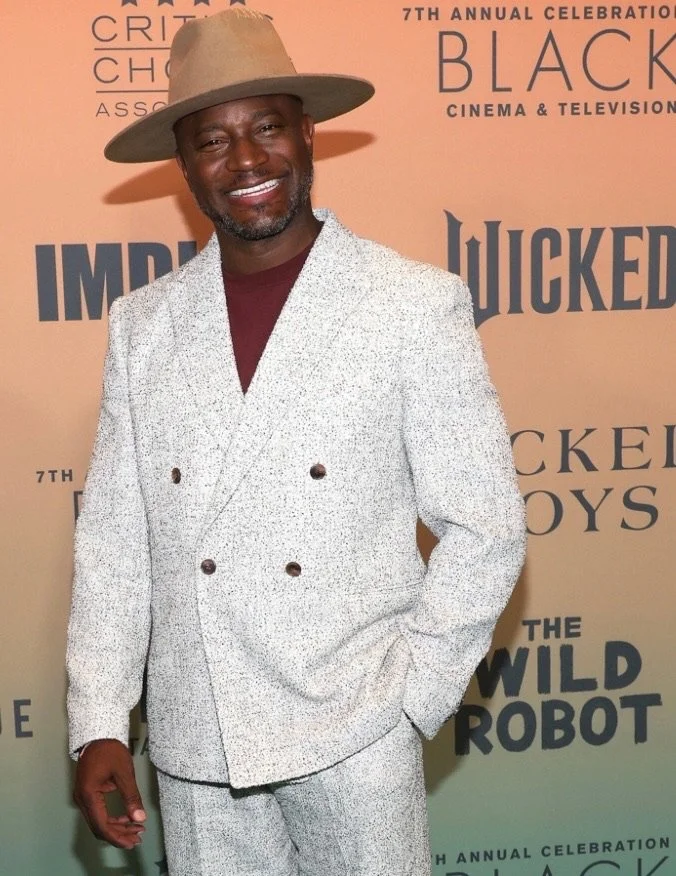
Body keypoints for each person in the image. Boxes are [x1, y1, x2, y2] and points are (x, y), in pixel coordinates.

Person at [67, 7, 526, 875]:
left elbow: (485, 525)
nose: (245, 159)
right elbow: (117, 544)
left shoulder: (408, 304)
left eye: (267, 127)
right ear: (183, 165)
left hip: (354, 730)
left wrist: (410, 698)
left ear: (308, 133)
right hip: (198, 743)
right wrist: (98, 721)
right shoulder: (144, 325)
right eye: (212, 140)